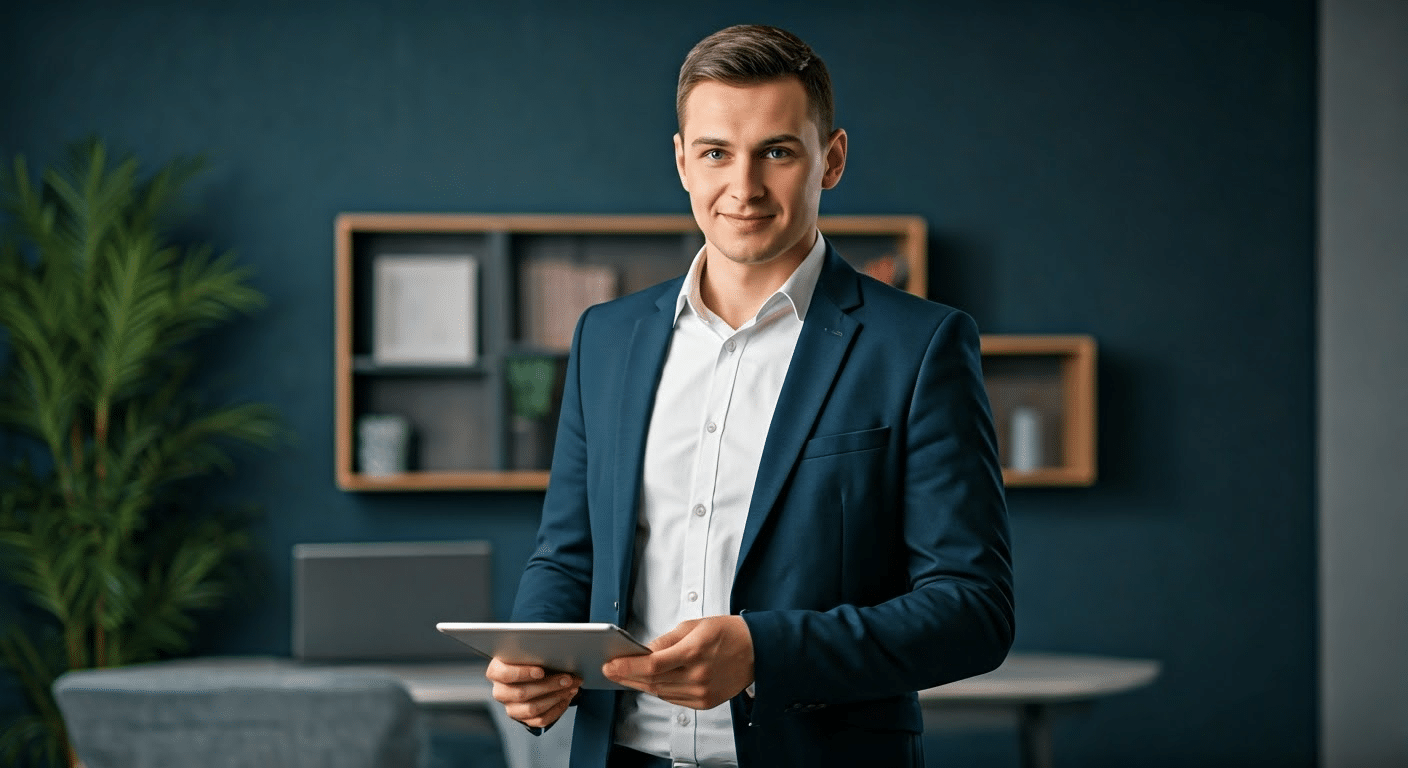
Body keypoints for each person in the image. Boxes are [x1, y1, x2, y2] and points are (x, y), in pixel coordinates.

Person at [486, 23, 1013, 768]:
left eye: (777, 151)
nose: (743, 187)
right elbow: (569, 557)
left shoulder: (918, 346)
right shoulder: (607, 338)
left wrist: (765, 653)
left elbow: (973, 610)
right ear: (681, 162)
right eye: (715, 153)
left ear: (830, 160)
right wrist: (535, 657)